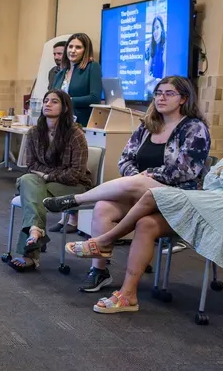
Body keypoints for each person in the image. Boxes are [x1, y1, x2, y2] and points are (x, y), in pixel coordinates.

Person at [70, 91, 223, 313]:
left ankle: (104, 239)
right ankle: (128, 296)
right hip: (210, 199)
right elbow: (212, 177)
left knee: (153, 194)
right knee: (146, 223)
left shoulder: (195, 128)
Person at [44, 75, 211, 293]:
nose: (161, 98)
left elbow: (186, 170)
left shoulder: (194, 128)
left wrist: (147, 175)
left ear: (183, 99)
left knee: (138, 183)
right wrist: (137, 177)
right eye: (158, 93)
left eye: (169, 94)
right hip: (140, 191)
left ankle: (75, 200)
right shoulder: (148, 126)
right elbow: (125, 159)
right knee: (103, 207)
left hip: (178, 194)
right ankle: (99, 271)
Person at [8, 90, 92, 272]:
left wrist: (46, 176)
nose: (47, 104)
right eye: (46, 101)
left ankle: (30, 252)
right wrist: (49, 175)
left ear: (64, 108)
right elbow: (31, 166)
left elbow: (75, 174)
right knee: (28, 179)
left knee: (28, 186)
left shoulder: (76, 134)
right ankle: (35, 232)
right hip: (41, 183)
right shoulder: (34, 133)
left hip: (74, 186)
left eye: (54, 101)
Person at [50, 32, 103, 126]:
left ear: (85, 50)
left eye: (78, 47)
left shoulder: (92, 67)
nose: (73, 50)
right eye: (70, 46)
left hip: (81, 124)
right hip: (59, 124)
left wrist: (67, 100)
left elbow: (94, 98)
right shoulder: (60, 74)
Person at [145, 16, 166, 95]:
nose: (155, 31)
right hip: (153, 89)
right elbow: (147, 70)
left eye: (157, 27)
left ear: (162, 29)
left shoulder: (165, 45)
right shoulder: (153, 46)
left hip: (162, 90)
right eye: (153, 29)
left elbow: (165, 75)